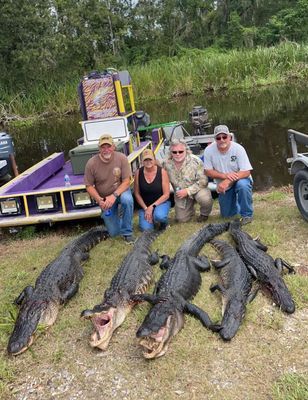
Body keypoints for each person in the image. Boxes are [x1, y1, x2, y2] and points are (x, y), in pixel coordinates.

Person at [84, 134, 135, 243]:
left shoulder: (121, 158)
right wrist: (99, 200)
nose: (106, 150)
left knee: (127, 200)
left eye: (108, 146)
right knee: (114, 233)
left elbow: (126, 181)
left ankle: (127, 232)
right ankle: (120, 221)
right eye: (103, 147)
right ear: (99, 149)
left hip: (120, 192)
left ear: (113, 147)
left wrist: (114, 196)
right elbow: (88, 186)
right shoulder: (91, 163)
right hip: (104, 199)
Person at [203, 124, 253, 224]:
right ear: (215, 139)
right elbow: (207, 171)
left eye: (224, 137)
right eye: (218, 137)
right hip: (223, 184)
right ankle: (237, 204)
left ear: (230, 137)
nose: (222, 140)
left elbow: (247, 171)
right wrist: (225, 176)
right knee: (227, 215)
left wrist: (228, 180)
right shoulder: (208, 150)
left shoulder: (238, 149)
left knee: (243, 186)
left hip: (240, 179)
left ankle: (247, 215)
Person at [163, 138, 213, 223]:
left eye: (181, 151)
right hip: (180, 194)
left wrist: (188, 191)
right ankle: (190, 210)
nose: (178, 154)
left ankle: (204, 214)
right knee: (182, 220)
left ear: (186, 150)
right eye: (174, 152)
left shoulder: (196, 161)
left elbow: (203, 181)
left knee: (204, 199)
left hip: (197, 189)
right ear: (170, 153)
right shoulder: (166, 164)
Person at [134, 148, 171, 231]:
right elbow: (137, 193)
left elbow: (166, 194)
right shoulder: (138, 173)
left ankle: (163, 222)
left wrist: (152, 207)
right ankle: (152, 218)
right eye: (145, 159)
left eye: (150, 159)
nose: (148, 162)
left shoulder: (162, 172)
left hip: (161, 203)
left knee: (160, 217)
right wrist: (146, 208)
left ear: (154, 160)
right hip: (145, 206)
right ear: (142, 161)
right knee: (146, 229)